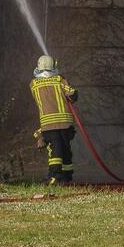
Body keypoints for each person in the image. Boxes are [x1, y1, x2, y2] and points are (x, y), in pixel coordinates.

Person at [29, 54, 78, 186]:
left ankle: (55, 177)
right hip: (65, 123)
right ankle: (67, 176)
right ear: (53, 66)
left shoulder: (33, 84)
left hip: (48, 125)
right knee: (65, 149)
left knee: (55, 150)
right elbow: (72, 94)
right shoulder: (60, 80)